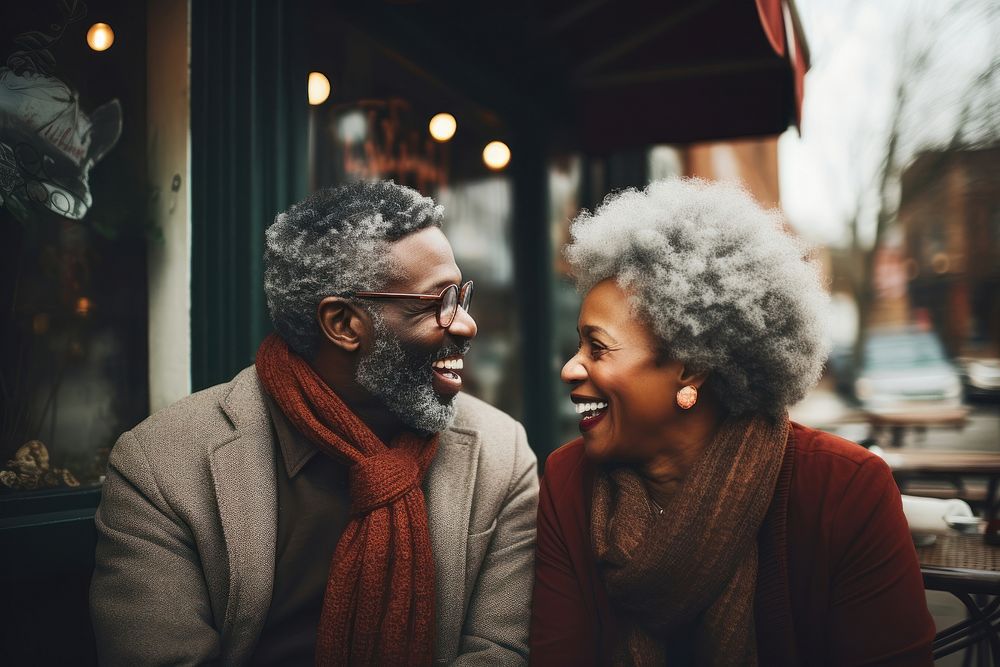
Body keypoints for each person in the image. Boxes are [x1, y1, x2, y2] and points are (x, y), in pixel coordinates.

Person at [90, 180, 538, 665]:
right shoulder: (161, 464)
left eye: (461, 295)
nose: (467, 324)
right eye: (438, 304)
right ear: (344, 325)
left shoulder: (502, 452)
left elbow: (499, 653)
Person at [529, 178, 935, 666]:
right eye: (578, 346)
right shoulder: (569, 483)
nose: (570, 368)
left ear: (692, 367)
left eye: (597, 347)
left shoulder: (843, 490)